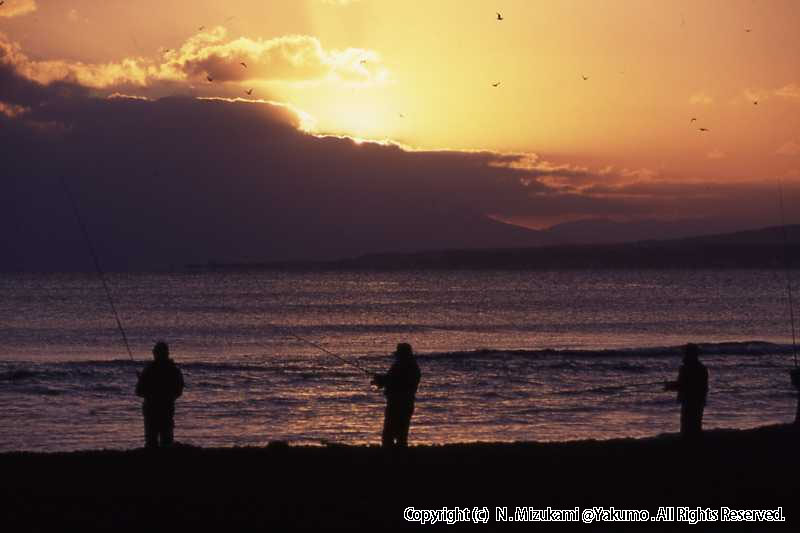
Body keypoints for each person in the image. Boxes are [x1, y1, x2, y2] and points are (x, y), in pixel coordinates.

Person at [136, 341, 185, 448]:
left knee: (151, 442)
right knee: (167, 442)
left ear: (155, 353)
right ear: (167, 353)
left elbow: (139, 391)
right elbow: (179, 391)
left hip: (151, 410)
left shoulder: (149, 370)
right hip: (167, 409)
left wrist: (142, 381)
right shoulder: (174, 370)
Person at [372, 343, 421, 448]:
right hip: (408, 402)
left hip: (396, 403)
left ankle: (390, 457)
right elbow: (395, 381)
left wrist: (380, 380)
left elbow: (393, 381)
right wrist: (381, 381)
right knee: (402, 434)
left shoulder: (400, 366)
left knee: (389, 433)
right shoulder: (413, 366)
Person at [665, 343, 708, 438]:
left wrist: (669, 386)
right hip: (698, 401)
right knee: (695, 426)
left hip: (688, 401)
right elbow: (703, 387)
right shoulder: (702, 368)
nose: (683, 355)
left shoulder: (685, 368)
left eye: (685, 353)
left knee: (687, 426)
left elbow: (683, 385)